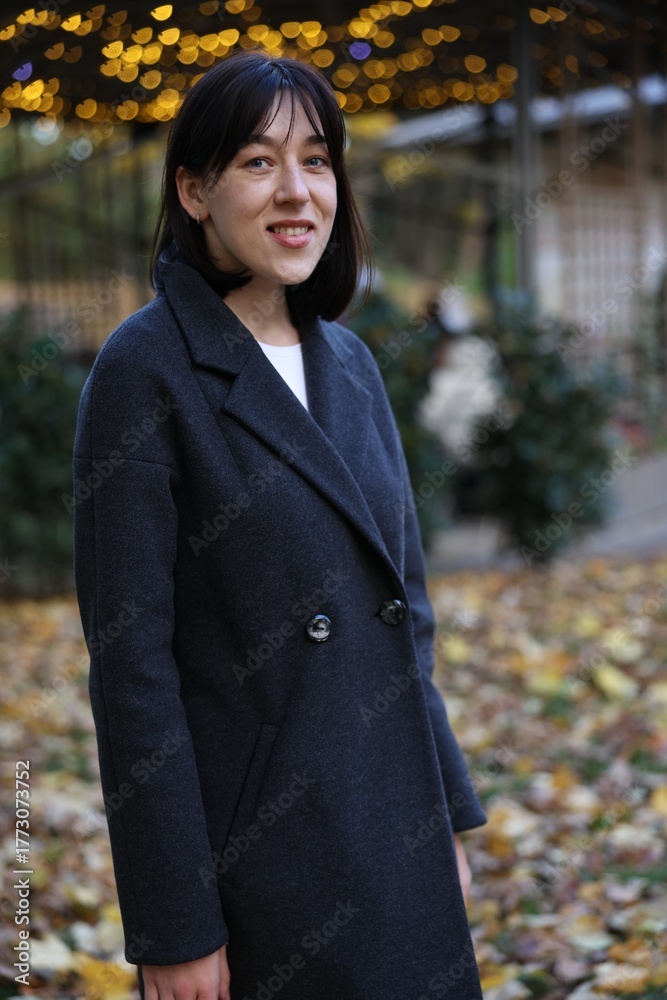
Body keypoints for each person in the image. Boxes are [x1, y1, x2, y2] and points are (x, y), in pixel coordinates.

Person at [72, 49, 488, 1000]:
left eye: (317, 159)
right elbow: (131, 670)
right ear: (193, 190)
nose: (297, 192)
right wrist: (174, 924)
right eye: (258, 163)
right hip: (262, 863)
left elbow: (402, 620)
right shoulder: (143, 372)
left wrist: (444, 820)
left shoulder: (350, 362)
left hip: (394, 830)